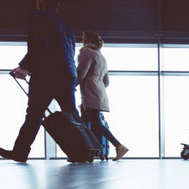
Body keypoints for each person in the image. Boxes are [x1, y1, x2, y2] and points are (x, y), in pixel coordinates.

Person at [0, 0, 81, 163]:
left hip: (47, 75)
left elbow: (39, 45)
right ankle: (83, 151)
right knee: (72, 115)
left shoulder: (40, 17)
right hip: (68, 74)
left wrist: (24, 67)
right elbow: (70, 51)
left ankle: (20, 152)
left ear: (41, 3)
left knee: (34, 115)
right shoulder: (66, 26)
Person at [77, 31, 128, 161]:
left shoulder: (86, 52)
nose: (81, 39)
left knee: (96, 124)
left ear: (87, 39)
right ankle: (86, 152)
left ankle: (118, 145)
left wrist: (71, 86)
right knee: (85, 124)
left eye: (83, 37)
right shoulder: (101, 56)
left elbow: (81, 73)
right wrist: (96, 86)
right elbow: (106, 82)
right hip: (99, 93)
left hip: (90, 93)